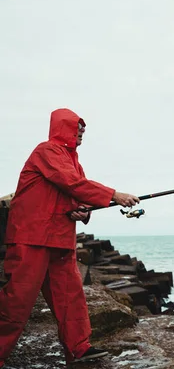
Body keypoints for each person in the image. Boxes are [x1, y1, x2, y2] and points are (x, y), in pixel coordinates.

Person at [0, 108, 140, 366]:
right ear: (63, 127)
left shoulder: (73, 161)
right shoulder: (46, 151)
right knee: (17, 302)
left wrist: (81, 212)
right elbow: (71, 183)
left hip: (59, 238)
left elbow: (75, 196)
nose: (82, 132)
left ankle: (78, 349)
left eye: (83, 128)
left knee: (70, 298)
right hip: (31, 238)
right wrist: (115, 195)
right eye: (78, 127)